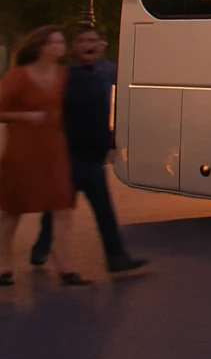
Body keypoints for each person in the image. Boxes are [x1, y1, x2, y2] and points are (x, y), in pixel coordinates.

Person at [29, 26, 148, 274]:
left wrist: (111, 143)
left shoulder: (109, 72)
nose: (88, 45)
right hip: (67, 155)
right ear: (74, 48)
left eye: (93, 40)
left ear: (101, 44)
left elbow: (119, 106)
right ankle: (41, 247)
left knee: (103, 210)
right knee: (57, 208)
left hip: (93, 156)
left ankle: (116, 257)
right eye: (82, 41)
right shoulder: (63, 76)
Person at [0, 26, 87, 287]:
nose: (60, 47)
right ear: (40, 46)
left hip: (54, 152)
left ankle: (65, 268)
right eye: (54, 43)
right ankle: (3, 266)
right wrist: (25, 116)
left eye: (62, 43)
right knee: (12, 210)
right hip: (22, 152)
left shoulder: (62, 75)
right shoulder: (18, 76)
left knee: (62, 208)